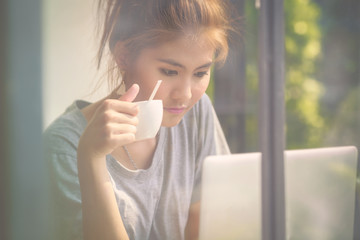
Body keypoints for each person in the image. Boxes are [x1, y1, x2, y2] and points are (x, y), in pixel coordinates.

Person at [43, 0, 239, 239]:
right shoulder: (64, 147)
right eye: (169, 71)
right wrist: (91, 159)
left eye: (200, 73)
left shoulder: (196, 113)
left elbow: (213, 224)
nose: (186, 95)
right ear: (124, 56)